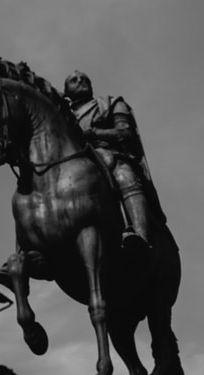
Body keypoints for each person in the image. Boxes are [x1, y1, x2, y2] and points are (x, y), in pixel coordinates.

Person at [62, 70, 166, 253]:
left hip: (109, 156)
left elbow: (125, 134)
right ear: (66, 90)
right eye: (74, 80)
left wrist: (92, 134)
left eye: (85, 79)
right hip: (73, 163)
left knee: (125, 176)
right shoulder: (62, 115)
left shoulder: (111, 103)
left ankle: (141, 235)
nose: (81, 81)